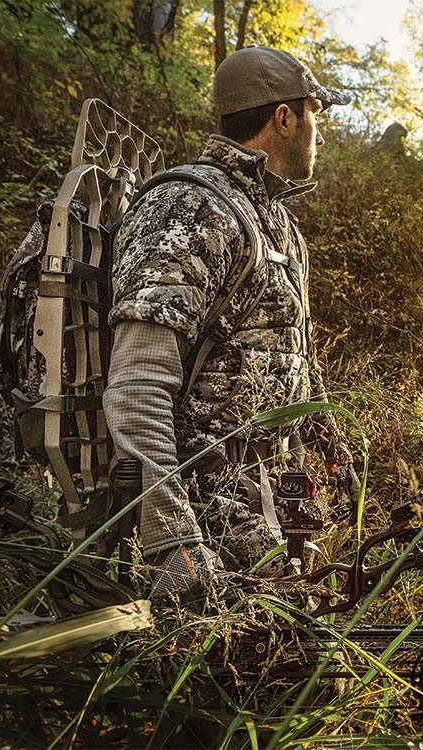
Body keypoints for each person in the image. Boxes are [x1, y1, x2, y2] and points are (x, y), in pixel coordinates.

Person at [102, 46, 354, 600]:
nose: (321, 133)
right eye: (315, 113)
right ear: (284, 117)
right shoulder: (190, 207)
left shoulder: (277, 223)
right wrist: (174, 546)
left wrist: (333, 451)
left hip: (266, 500)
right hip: (204, 512)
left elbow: (294, 357)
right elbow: (139, 386)